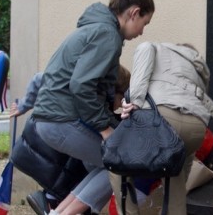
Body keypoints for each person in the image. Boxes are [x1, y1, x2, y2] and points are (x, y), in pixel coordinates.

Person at [32, 0, 154, 215]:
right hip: (62, 119)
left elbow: (93, 89)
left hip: (52, 118)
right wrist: (106, 130)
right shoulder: (107, 35)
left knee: (108, 164)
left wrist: (113, 122)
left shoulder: (98, 29)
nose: (142, 32)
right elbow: (82, 86)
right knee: (123, 162)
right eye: (144, 23)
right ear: (134, 12)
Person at [113, 42, 213, 215]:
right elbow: (186, 162)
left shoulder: (158, 48)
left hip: (162, 118)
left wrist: (135, 101)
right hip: (196, 128)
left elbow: (145, 47)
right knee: (175, 175)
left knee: (116, 161)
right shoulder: (199, 71)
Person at [11, 65, 131, 215]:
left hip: (42, 127)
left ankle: (57, 212)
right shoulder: (93, 94)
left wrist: (24, 105)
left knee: (104, 165)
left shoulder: (82, 84)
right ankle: (64, 210)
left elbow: (39, 78)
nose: (121, 104)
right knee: (116, 164)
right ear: (113, 90)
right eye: (121, 98)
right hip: (56, 129)